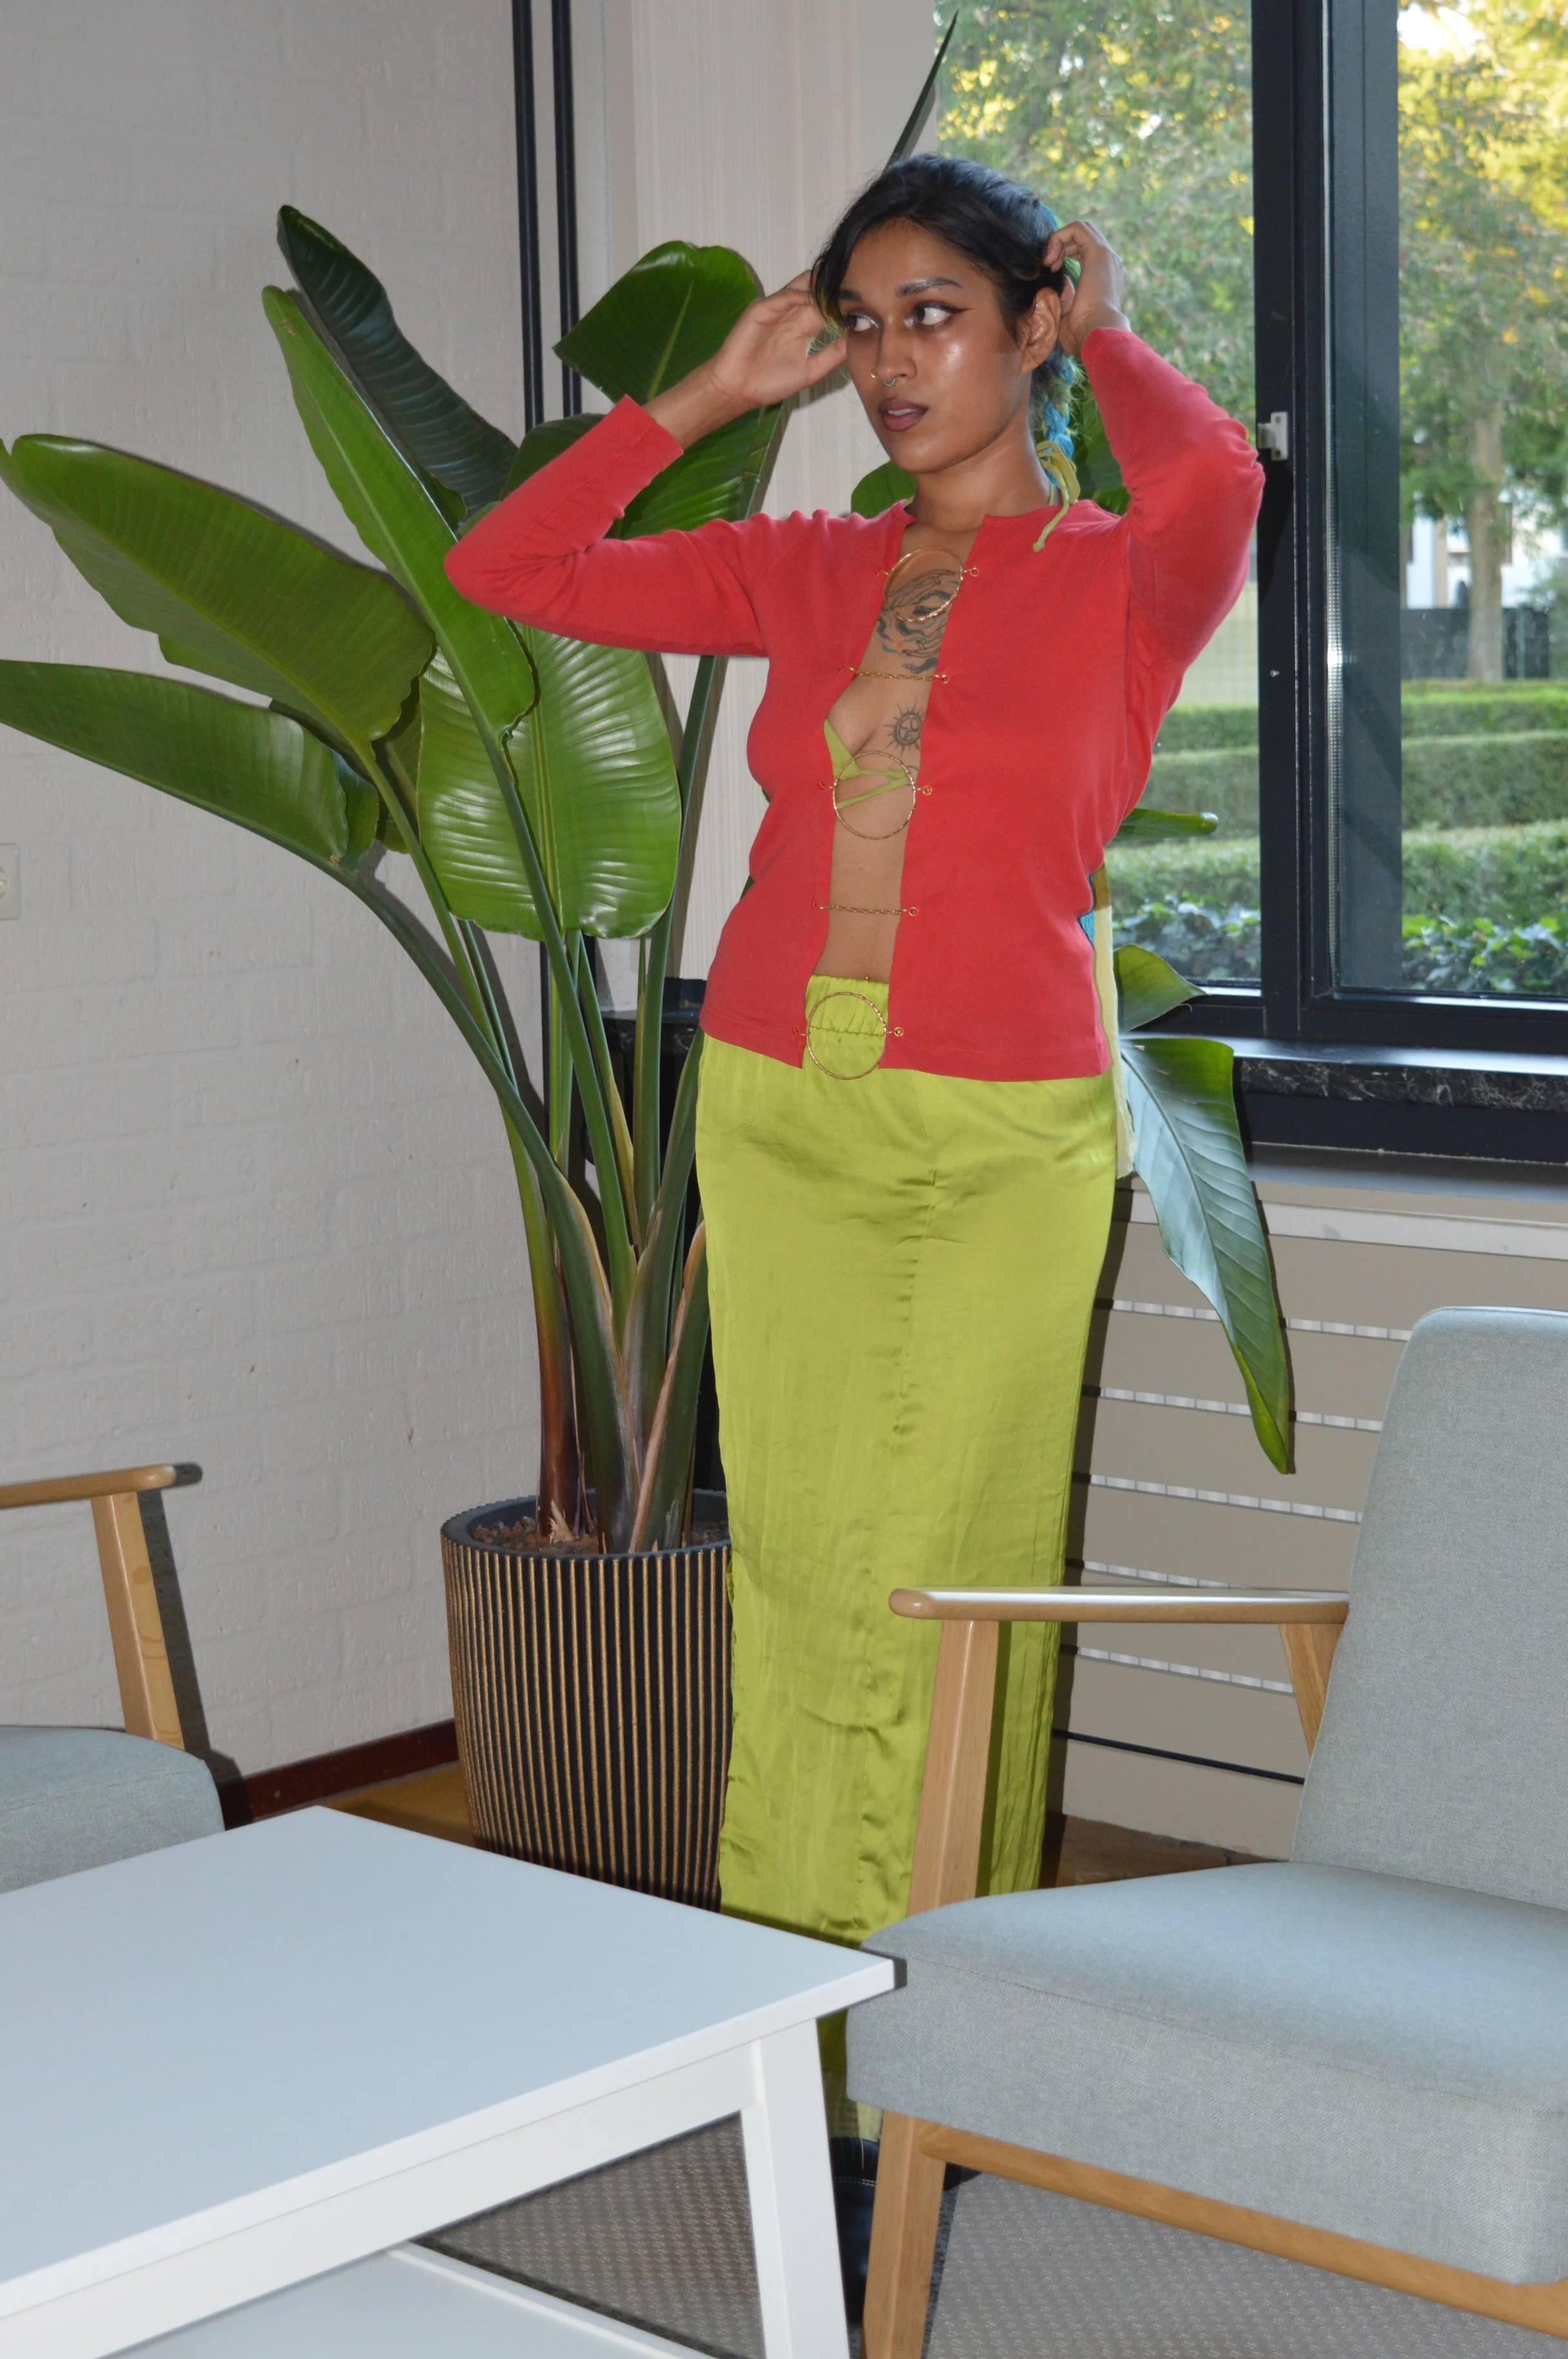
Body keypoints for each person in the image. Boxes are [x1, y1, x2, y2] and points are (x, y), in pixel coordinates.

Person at [447, 152, 1260, 1973]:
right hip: (778, 1107)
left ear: (1033, 323)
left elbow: (1214, 471)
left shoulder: (1127, 576)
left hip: (1001, 1132)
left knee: (953, 1565)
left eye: (940, 317)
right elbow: (506, 566)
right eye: (866, 325)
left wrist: (1112, 328)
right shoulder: (799, 569)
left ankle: (933, 2011)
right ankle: (795, 1995)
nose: (894, 365)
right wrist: (717, 393)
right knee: (810, 1570)